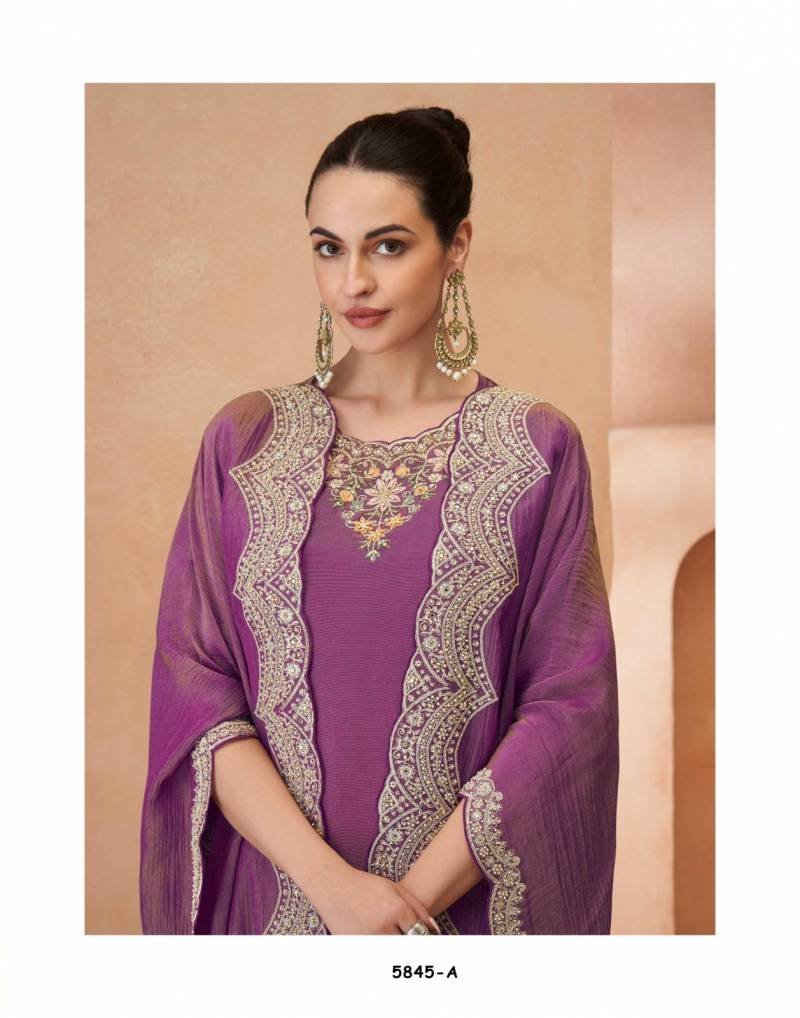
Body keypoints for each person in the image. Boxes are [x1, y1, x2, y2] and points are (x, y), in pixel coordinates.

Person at [139, 106, 620, 935]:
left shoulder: (535, 448)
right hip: (272, 914)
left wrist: (400, 911)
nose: (351, 283)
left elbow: (567, 707)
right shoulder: (247, 443)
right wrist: (334, 888)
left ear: (456, 245)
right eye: (329, 248)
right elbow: (198, 689)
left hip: (454, 924)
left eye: (387, 246)